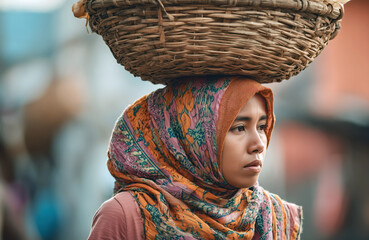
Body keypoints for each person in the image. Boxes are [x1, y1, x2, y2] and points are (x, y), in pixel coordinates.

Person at [87, 76, 303, 239]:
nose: (258, 144)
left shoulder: (274, 216)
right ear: (190, 137)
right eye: (238, 128)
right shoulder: (125, 217)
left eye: (262, 126)